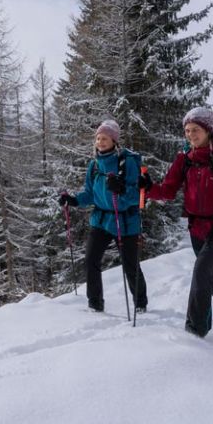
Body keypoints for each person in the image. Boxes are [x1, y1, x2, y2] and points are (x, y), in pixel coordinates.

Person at [140, 107, 213, 338]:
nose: (191, 134)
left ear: (209, 130)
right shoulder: (185, 159)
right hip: (197, 227)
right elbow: (168, 190)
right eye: (187, 130)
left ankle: (196, 330)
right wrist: (148, 188)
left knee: (202, 269)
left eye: (196, 129)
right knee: (211, 269)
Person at [59, 119, 148, 313]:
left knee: (130, 265)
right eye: (98, 138)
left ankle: (140, 303)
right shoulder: (94, 165)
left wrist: (122, 188)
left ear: (114, 140)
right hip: (101, 220)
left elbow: (137, 195)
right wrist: (73, 200)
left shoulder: (127, 162)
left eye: (105, 138)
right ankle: (95, 304)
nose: (100, 141)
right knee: (91, 260)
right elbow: (90, 193)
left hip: (125, 221)